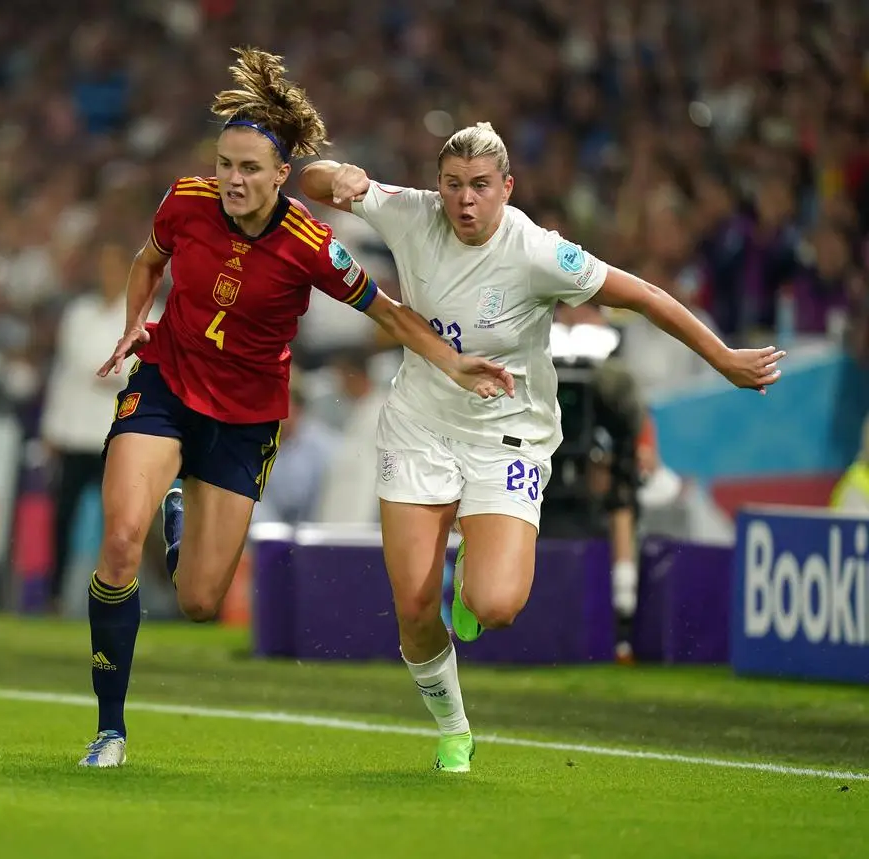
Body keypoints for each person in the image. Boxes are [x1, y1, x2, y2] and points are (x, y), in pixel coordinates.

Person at [299, 122, 786, 772]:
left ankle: (474, 560)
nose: (464, 200)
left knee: (495, 606)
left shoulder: (537, 252)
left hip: (506, 434)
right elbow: (308, 181)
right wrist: (342, 178)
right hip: (421, 424)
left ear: (506, 187)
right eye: (452, 185)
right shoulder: (410, 213)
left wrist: (722, 356)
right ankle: (454, 726)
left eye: (479, 186)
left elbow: (642, 295)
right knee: (415, 605)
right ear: (438, 185)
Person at [79, 48, 514, 768]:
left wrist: (454, 361)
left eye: (249, 168)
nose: (232, 180)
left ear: (282, 176)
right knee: (122, 539)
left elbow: (391, 313)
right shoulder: (185, 201)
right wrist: (135, 320)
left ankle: (182, 514)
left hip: (244, 419)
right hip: (164, 381)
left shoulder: (311, 246)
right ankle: (110, 728)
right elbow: (147, 260)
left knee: (198, 601)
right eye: (225, 164)